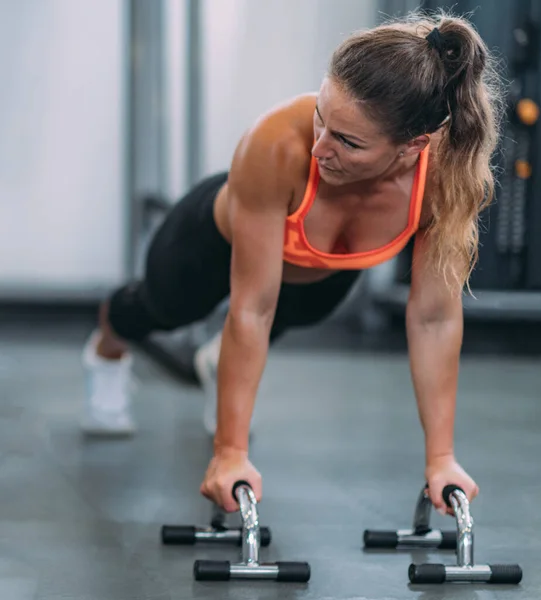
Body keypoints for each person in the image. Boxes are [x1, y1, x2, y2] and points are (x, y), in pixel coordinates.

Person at [81, 10, 504, 516]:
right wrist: (230, 454)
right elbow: (251, 308)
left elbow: (433, 317)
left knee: (293, 314)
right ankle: (107, 351)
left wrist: (441, 459)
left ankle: (217, 364)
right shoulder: (276, 144)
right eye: (321, 117)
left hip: (320, 275)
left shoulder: (447, 179)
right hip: (210, 244)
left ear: (412, 147)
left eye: (347, 141)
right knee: (157, 309)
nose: (320, 147)